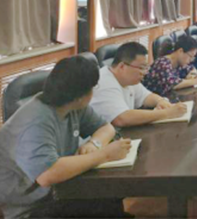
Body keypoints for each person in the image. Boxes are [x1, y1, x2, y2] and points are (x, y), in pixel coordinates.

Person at [0, 56, 132, 219]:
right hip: (31, 209)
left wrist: (94, 144)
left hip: (60, 191)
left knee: (110, 197)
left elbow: (106, 128)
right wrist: (104, 155)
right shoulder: (35, 120)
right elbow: (47, 175)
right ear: (81, 95)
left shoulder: (71, 105)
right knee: (105, 203)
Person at [91, 42, 187, 127]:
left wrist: (161, 101)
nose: (145, 72)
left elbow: (146, 96)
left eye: (145, 67)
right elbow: (122, 118)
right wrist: (166, 113)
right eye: (141, 68)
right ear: (122, 66)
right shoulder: (104, 82)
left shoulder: (128, 79)